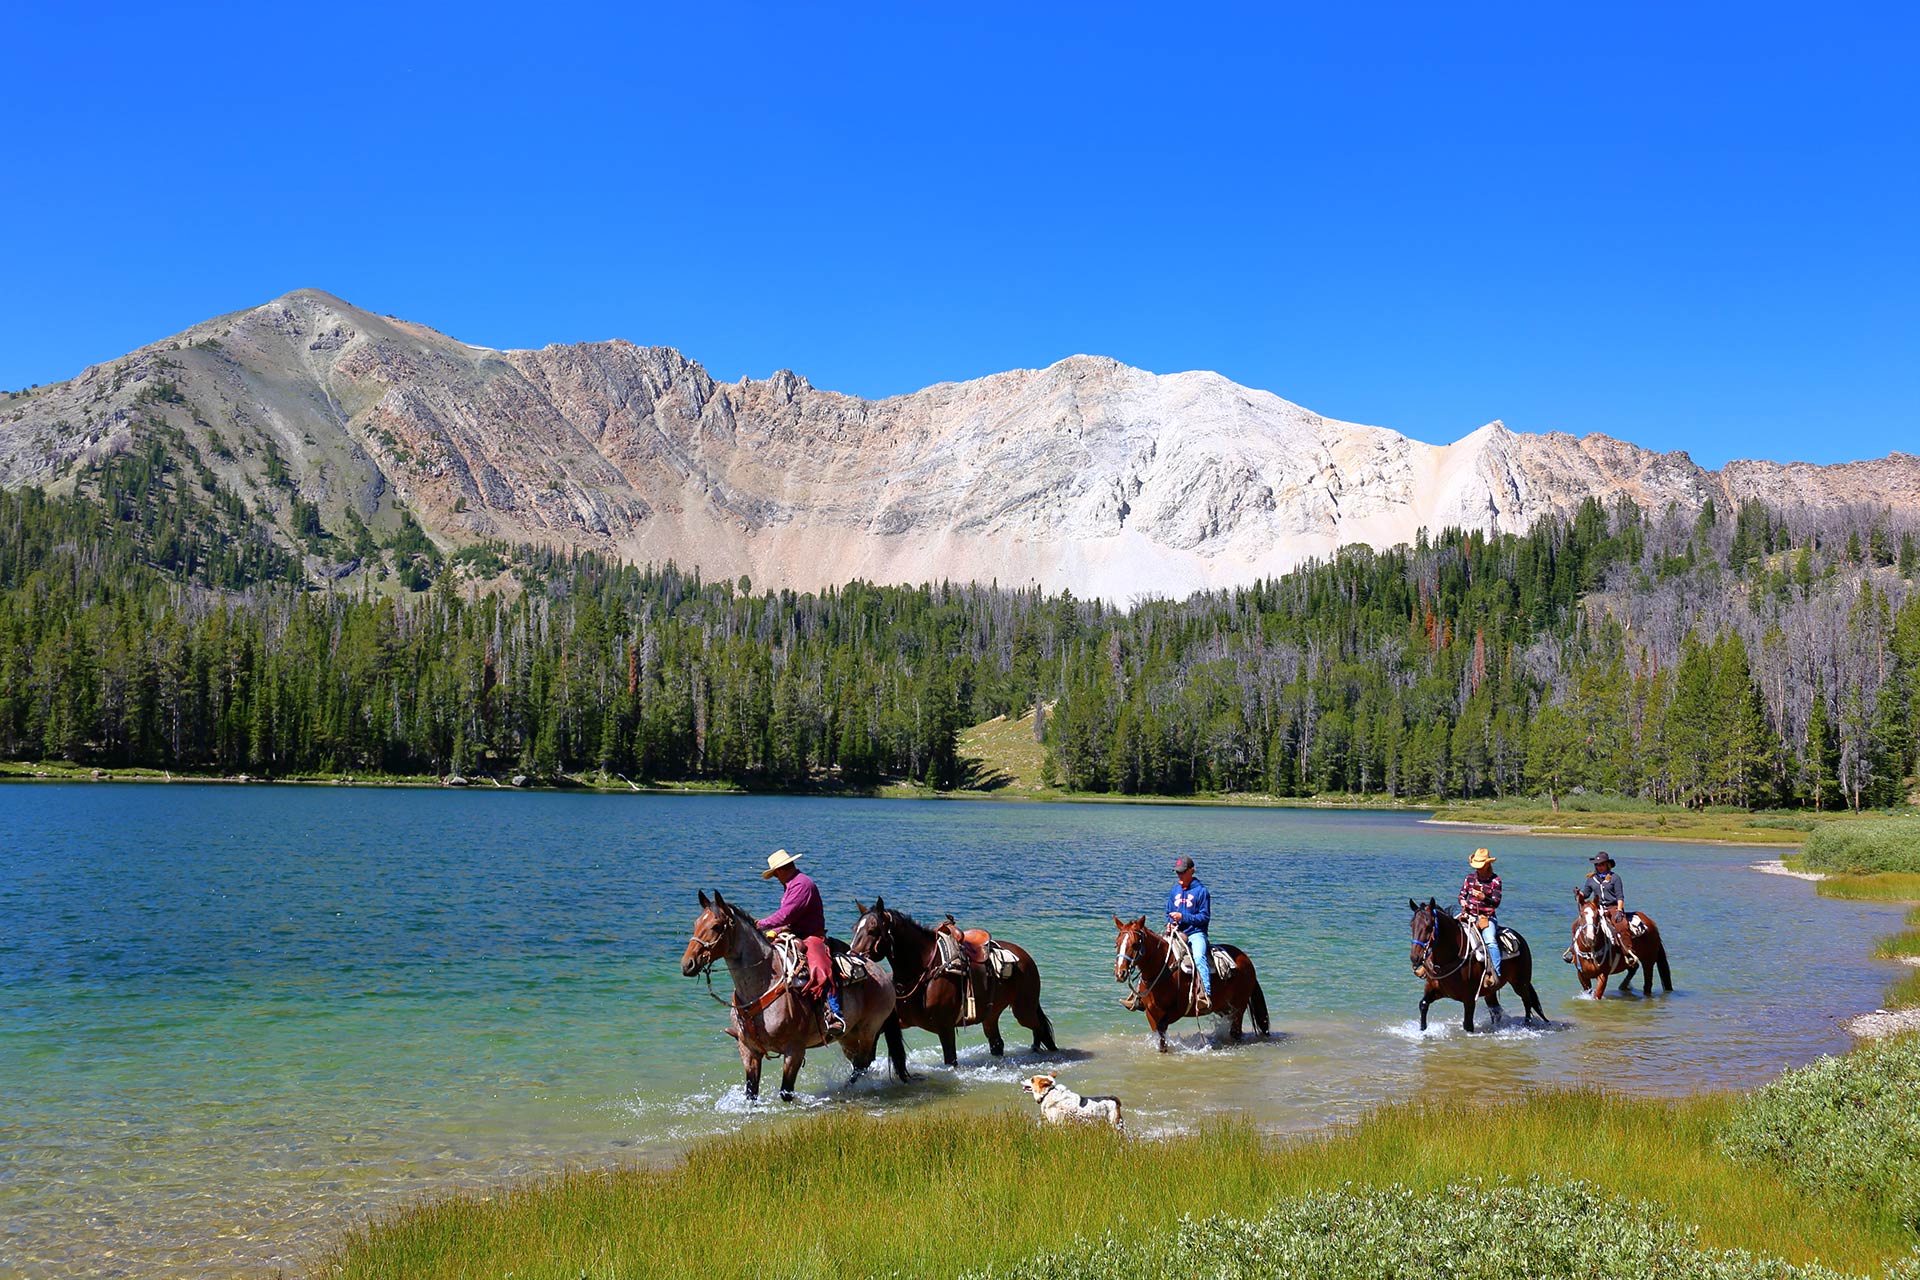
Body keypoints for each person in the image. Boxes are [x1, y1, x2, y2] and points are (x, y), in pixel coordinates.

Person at [755, 848, 845, 1037]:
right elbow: (789, 920)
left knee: (820, 967)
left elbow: (786, 914)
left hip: (811, 935)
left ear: (779, 871)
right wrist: (774, 932)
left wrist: (760, 924)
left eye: (775, 874)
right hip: (794, 932)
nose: (776, 878)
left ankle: (835, 1014)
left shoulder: (802, 885)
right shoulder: (791, 885)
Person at [1570, 851, 1635, 972]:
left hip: (1613, 907)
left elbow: (1620, 896)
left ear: (1607, 865)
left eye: (1602, 864)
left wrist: (1619, 910)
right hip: (1597, 908)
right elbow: (1586, 893)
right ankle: (1574, 952)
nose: (1599, 867)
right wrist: (1579, 894)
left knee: (1621, 926)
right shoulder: (1591, 879)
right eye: (1597, 865)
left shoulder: (1615, 878)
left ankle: (1628, 952)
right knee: (1575, 925)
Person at [1167, 855, 1213, 1012]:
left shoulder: (1202, 892)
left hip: (1196, 932)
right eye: (1177, 873)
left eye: (1182, 872)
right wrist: (1170, 922)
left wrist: (1183, 917)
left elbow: (1204, 917)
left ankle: (1205, 994)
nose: (1179, 876)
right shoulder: (1175, 890)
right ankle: (1139, 995)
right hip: (1178, 931)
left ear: (1191, 871)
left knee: (1199, 957)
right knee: (1156, 952)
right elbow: (1169, 911)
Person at [1457, 848, 1502, 989]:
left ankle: (1496, 973)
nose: (1478, 869)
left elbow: (1496, 902)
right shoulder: (1470, 878)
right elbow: (1462, 895)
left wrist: (1484, 898)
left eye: (1481, 866)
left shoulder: (1495, 881)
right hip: (1468, 915)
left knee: (1491, 941)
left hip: (1485, 918)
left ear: (1487, 865)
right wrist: (1462, 901)